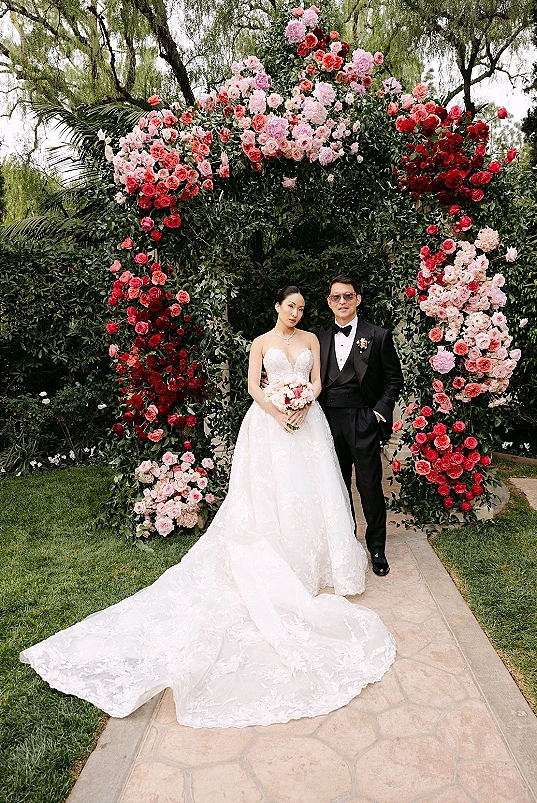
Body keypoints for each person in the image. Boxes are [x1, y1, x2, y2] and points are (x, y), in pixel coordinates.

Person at [20, 285, 396, 729]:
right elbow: (255, 386)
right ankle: (283, 553)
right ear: (277, 307)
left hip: (309, 421)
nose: (296, 312)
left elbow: (315, 381)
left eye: (301, 307)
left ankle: (344, 552)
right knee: (273, 492)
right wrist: (279, 411)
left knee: (321, 489)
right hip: (271, 424)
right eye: (290, 306)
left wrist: (304, 404)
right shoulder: (261, 342)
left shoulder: (313, 339)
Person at [315, 275, 404, 577]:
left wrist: (378, 413)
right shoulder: (318, 336)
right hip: (327, 422)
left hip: (363, 420)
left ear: (358, 299)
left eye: (348, 296)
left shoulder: (378, 335)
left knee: (368, 487)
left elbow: (394, 380)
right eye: (336, 297)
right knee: (336, 487)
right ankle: (345, 544)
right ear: (329, 302)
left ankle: (377, 548)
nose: (342, 302)